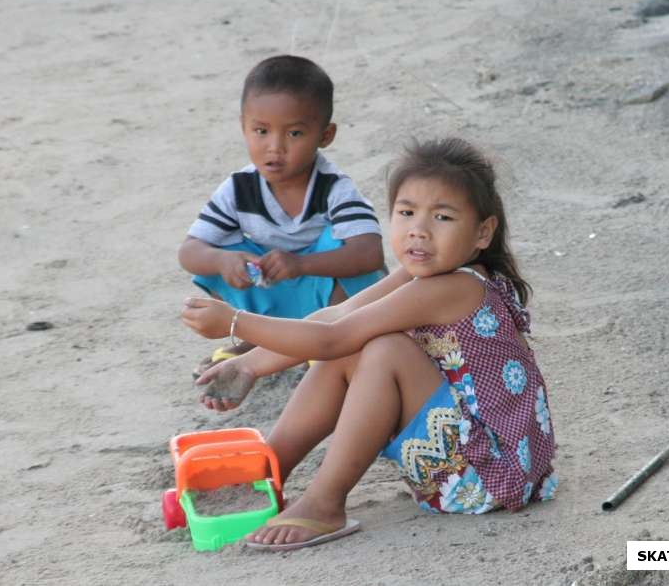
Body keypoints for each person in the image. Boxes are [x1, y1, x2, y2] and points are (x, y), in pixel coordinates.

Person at [181, 137, 558, 551]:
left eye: (443, 217)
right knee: (359, 343)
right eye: (407, 212)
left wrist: (235, 321)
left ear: (482, 232)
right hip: (466, 454)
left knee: (382, 349)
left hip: (488, 477)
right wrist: (250, 364)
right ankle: (267, 471)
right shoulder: (416, 276)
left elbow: (333, 337)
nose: (419, 229)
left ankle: (325, 504)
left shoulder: (456, 286)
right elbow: (335, 319)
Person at [178, 55, 385, 370]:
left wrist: (301, 264)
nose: (275, 146)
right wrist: (223, 260)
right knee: (215, 253)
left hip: (325, 308)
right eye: (261, 131)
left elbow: (371, 254)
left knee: (344, 243)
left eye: (295, 134)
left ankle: (315, 346)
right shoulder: (238, 188)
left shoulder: (334, 188)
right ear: (243, 126)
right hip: (271, 293)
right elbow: (189, 252)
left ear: (325, 135)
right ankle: (258, 340)